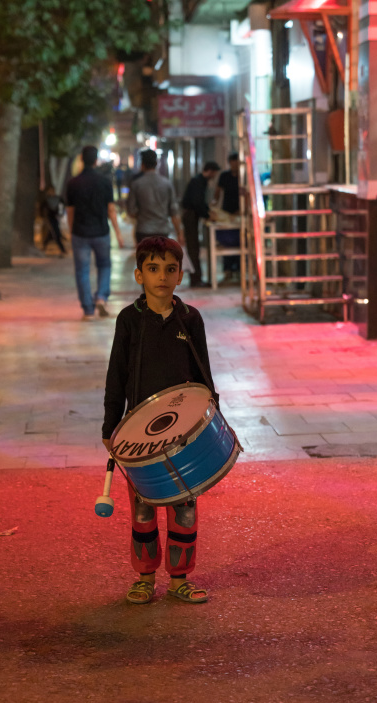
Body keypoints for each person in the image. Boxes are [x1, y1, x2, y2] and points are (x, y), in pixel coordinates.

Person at [102, 235, 219, 605]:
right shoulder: (129, 321)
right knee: (143, 510)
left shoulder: (190, 319)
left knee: (184, 508)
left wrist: (212, 412)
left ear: (180, 275)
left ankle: (181, 578)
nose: (162, 277)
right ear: (139, 274)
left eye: (170, 269)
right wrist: (110, 428)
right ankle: (145, 578)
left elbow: (204, 372)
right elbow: (115, 377)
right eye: (153, 269)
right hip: (141, 436)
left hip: (184, 434)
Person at [66, 146, 124, 321]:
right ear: (96, 160)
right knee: (105, 266)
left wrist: (71, 231)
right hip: (101, 232)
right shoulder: (105, 182)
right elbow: (111, 210)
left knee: (82, 271)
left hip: (80, 232)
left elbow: (70, 211)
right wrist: (118, 233)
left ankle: (88, 310)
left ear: (82, 160)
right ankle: (101, 297)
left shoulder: (73, 183)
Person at [126, 149, 184, 246]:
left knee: (145, 260)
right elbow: (174, 212)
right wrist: (180, 233)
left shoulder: (136, 184)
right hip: (163, 231)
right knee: (161, 260)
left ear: (142, 164)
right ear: (157, 164)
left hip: (143, 230)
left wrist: (142, 216)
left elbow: (131, 211)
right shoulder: (167, 184)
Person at [181, 161, 220, 287]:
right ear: (210, 171)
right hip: (190, 216)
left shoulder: (198, 181)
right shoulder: (199, 182)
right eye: (214, 174)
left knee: (194, 247)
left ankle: (196, 278)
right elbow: (197, 203)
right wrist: (208, 215)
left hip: (192, 215)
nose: (214, 177)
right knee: (193, 248)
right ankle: (195, 279)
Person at [213, 152, 247, 283]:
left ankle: (239, 271)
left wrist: (244, 210)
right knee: (226, 242)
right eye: (232, 162)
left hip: (241, 213)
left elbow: (248, 194)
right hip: (226, 213)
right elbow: (218, 192)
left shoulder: (243, 177)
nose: (235, 165)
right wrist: (214, 206)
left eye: (237, 162)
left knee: (241, 242)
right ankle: (227, 271)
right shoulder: (224, 176)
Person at [42, 185, 66, 257]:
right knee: (55, 232)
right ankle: (62, 249)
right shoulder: (46, 200)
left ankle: (45, 246)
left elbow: (61, 207)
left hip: (56, 218)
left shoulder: (58, 199)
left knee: (52, 233)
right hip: (49, 218)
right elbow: (42, 209)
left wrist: (60, 214)